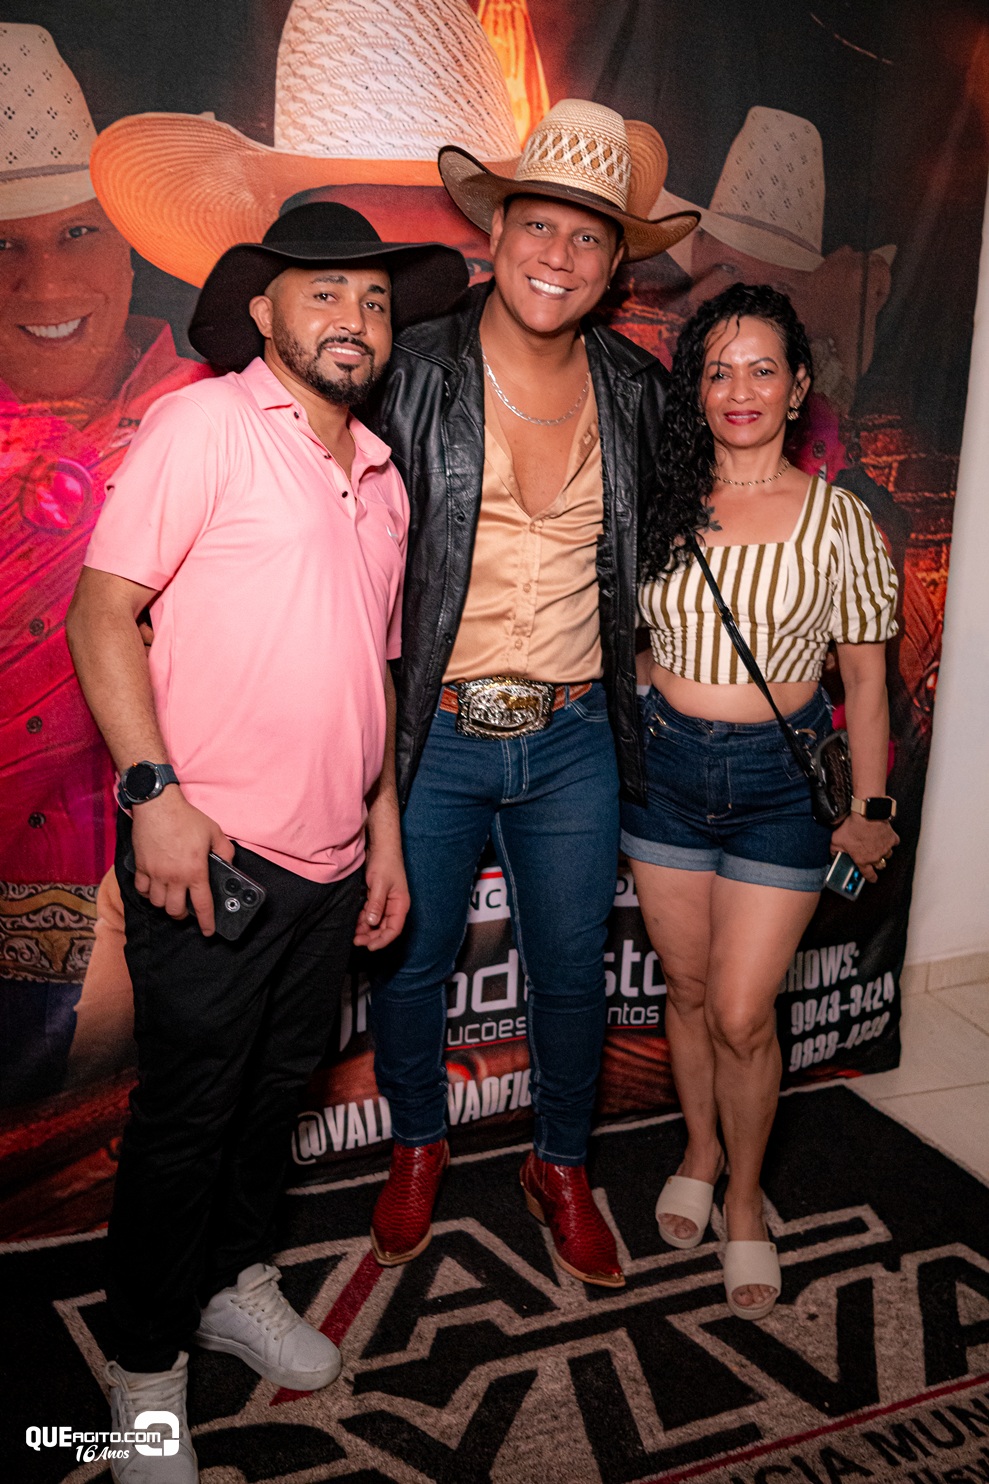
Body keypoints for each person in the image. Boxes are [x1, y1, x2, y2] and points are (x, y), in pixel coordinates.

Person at [66, 200, 467, 1483]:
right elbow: (100, 612)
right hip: (213, 853)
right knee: (188, 1118)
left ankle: (232, 1281)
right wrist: (153, 794)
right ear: (262, 310)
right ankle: (143, 1373)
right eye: (323, 292)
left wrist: (383, 835)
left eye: (373, 300)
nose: (354, 318)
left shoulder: (383, 472)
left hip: (334, 863)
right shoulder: (205, 425)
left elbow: (372, 675)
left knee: (267, 1102)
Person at [364, 99, 698, 1288]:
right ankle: (416, 1142)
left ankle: (560, 1163)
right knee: (409, 964)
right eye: (538, 226)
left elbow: (668, 556)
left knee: (568, 969)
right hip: (435, 733)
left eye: (587, 237)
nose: (557, 254)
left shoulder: (637, 391)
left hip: (569, 737)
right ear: (494, 234)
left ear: (612, 268)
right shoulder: (411, 368)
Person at [621, 283, 899, 1320]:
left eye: (761, 369)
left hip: (779, 786)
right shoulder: (661, 505)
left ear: (797, 387)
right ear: (696, 391)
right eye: (717, 370)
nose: (739, 390)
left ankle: (744, 1198)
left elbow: (864, 678)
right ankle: (698, 1151)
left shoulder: (839, 520)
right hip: (664, 776)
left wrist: (869, 807)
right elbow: (630, 639)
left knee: (743, 1011)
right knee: (688, 989)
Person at [0, 24, 210, 1105]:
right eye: (2, 245)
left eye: (78, 231)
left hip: (165, 894)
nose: (43, 281)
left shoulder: (211, 419)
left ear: (132, 248)